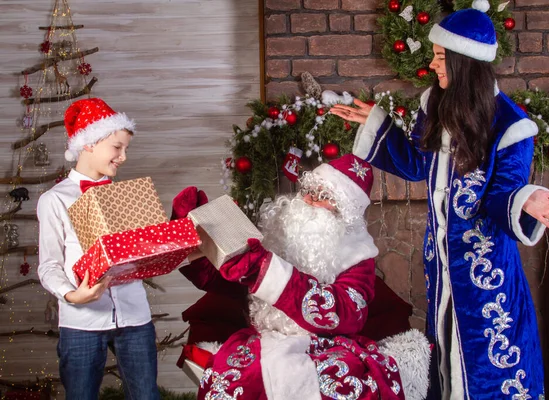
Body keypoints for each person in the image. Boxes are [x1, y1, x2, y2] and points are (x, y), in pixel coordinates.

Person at [330, 2, 549, 399]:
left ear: (464, 61)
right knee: (444, 359)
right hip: (442, 268)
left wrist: (527, 199)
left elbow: (500, 195)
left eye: (441, 56)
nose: (432, 64)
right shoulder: (435, 105)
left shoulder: (512, 127)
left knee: (487, 364)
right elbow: (416, 164)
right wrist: (378, 125)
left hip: (486, 274)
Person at [175, 154, 431, 400]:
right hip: (263, 339)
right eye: (308, 190)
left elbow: (345, 312)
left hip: (327, 347)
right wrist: (191, 235)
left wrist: (263, 268)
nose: (308, 200)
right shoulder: (280, 233)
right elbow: (227, 279)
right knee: (241, 377)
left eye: (322, 197)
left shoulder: (357, 255)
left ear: (344, 213)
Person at [37, 98, 200, 399]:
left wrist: (184, 247)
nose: (123, 156)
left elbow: (142, 253)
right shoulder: (54, 200)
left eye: (126, 148)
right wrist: (73, 294)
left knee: (146, 396)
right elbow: (48, 266)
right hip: (81, 320)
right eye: (117, 147)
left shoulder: (127, 196)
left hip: (134, 317)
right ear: (88, 144)